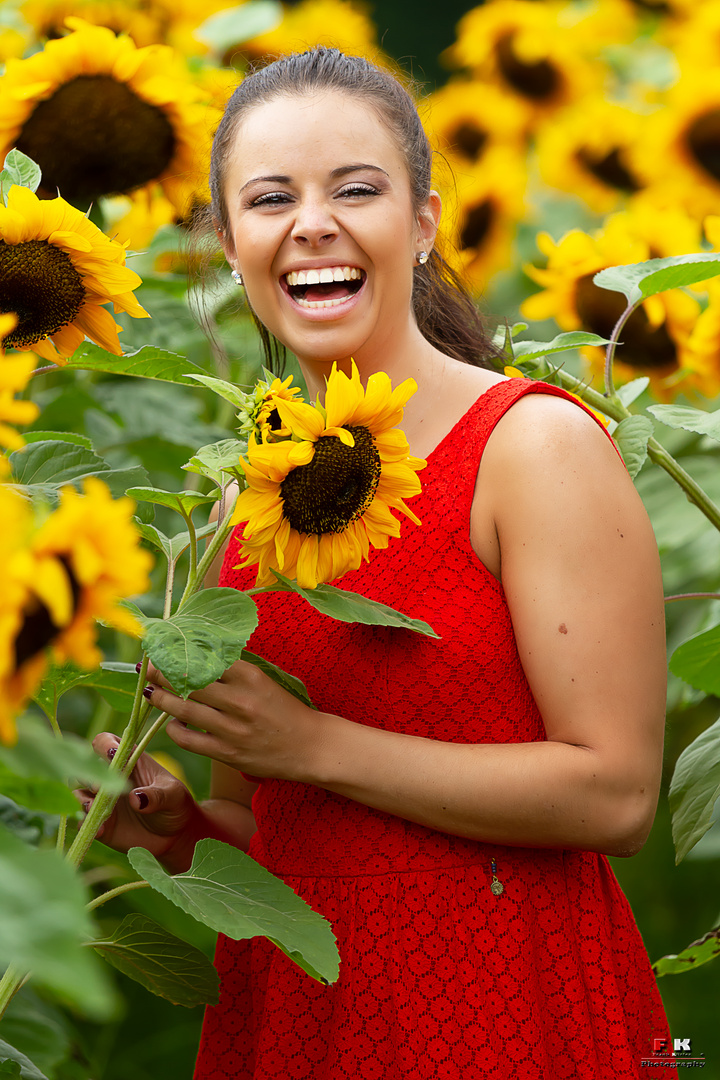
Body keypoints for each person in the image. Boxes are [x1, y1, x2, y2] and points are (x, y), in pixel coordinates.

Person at [84, 48, 675, 1079]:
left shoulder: (530, 446)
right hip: (307, 1023)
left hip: (503, 1008)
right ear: (231, 243)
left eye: (355, 189)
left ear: (425, 221)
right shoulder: (246, 496)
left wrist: (312, 743)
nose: (313, 221)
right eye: (273, 199)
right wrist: (176, 829)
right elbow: (278, 824)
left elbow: (614, 795)